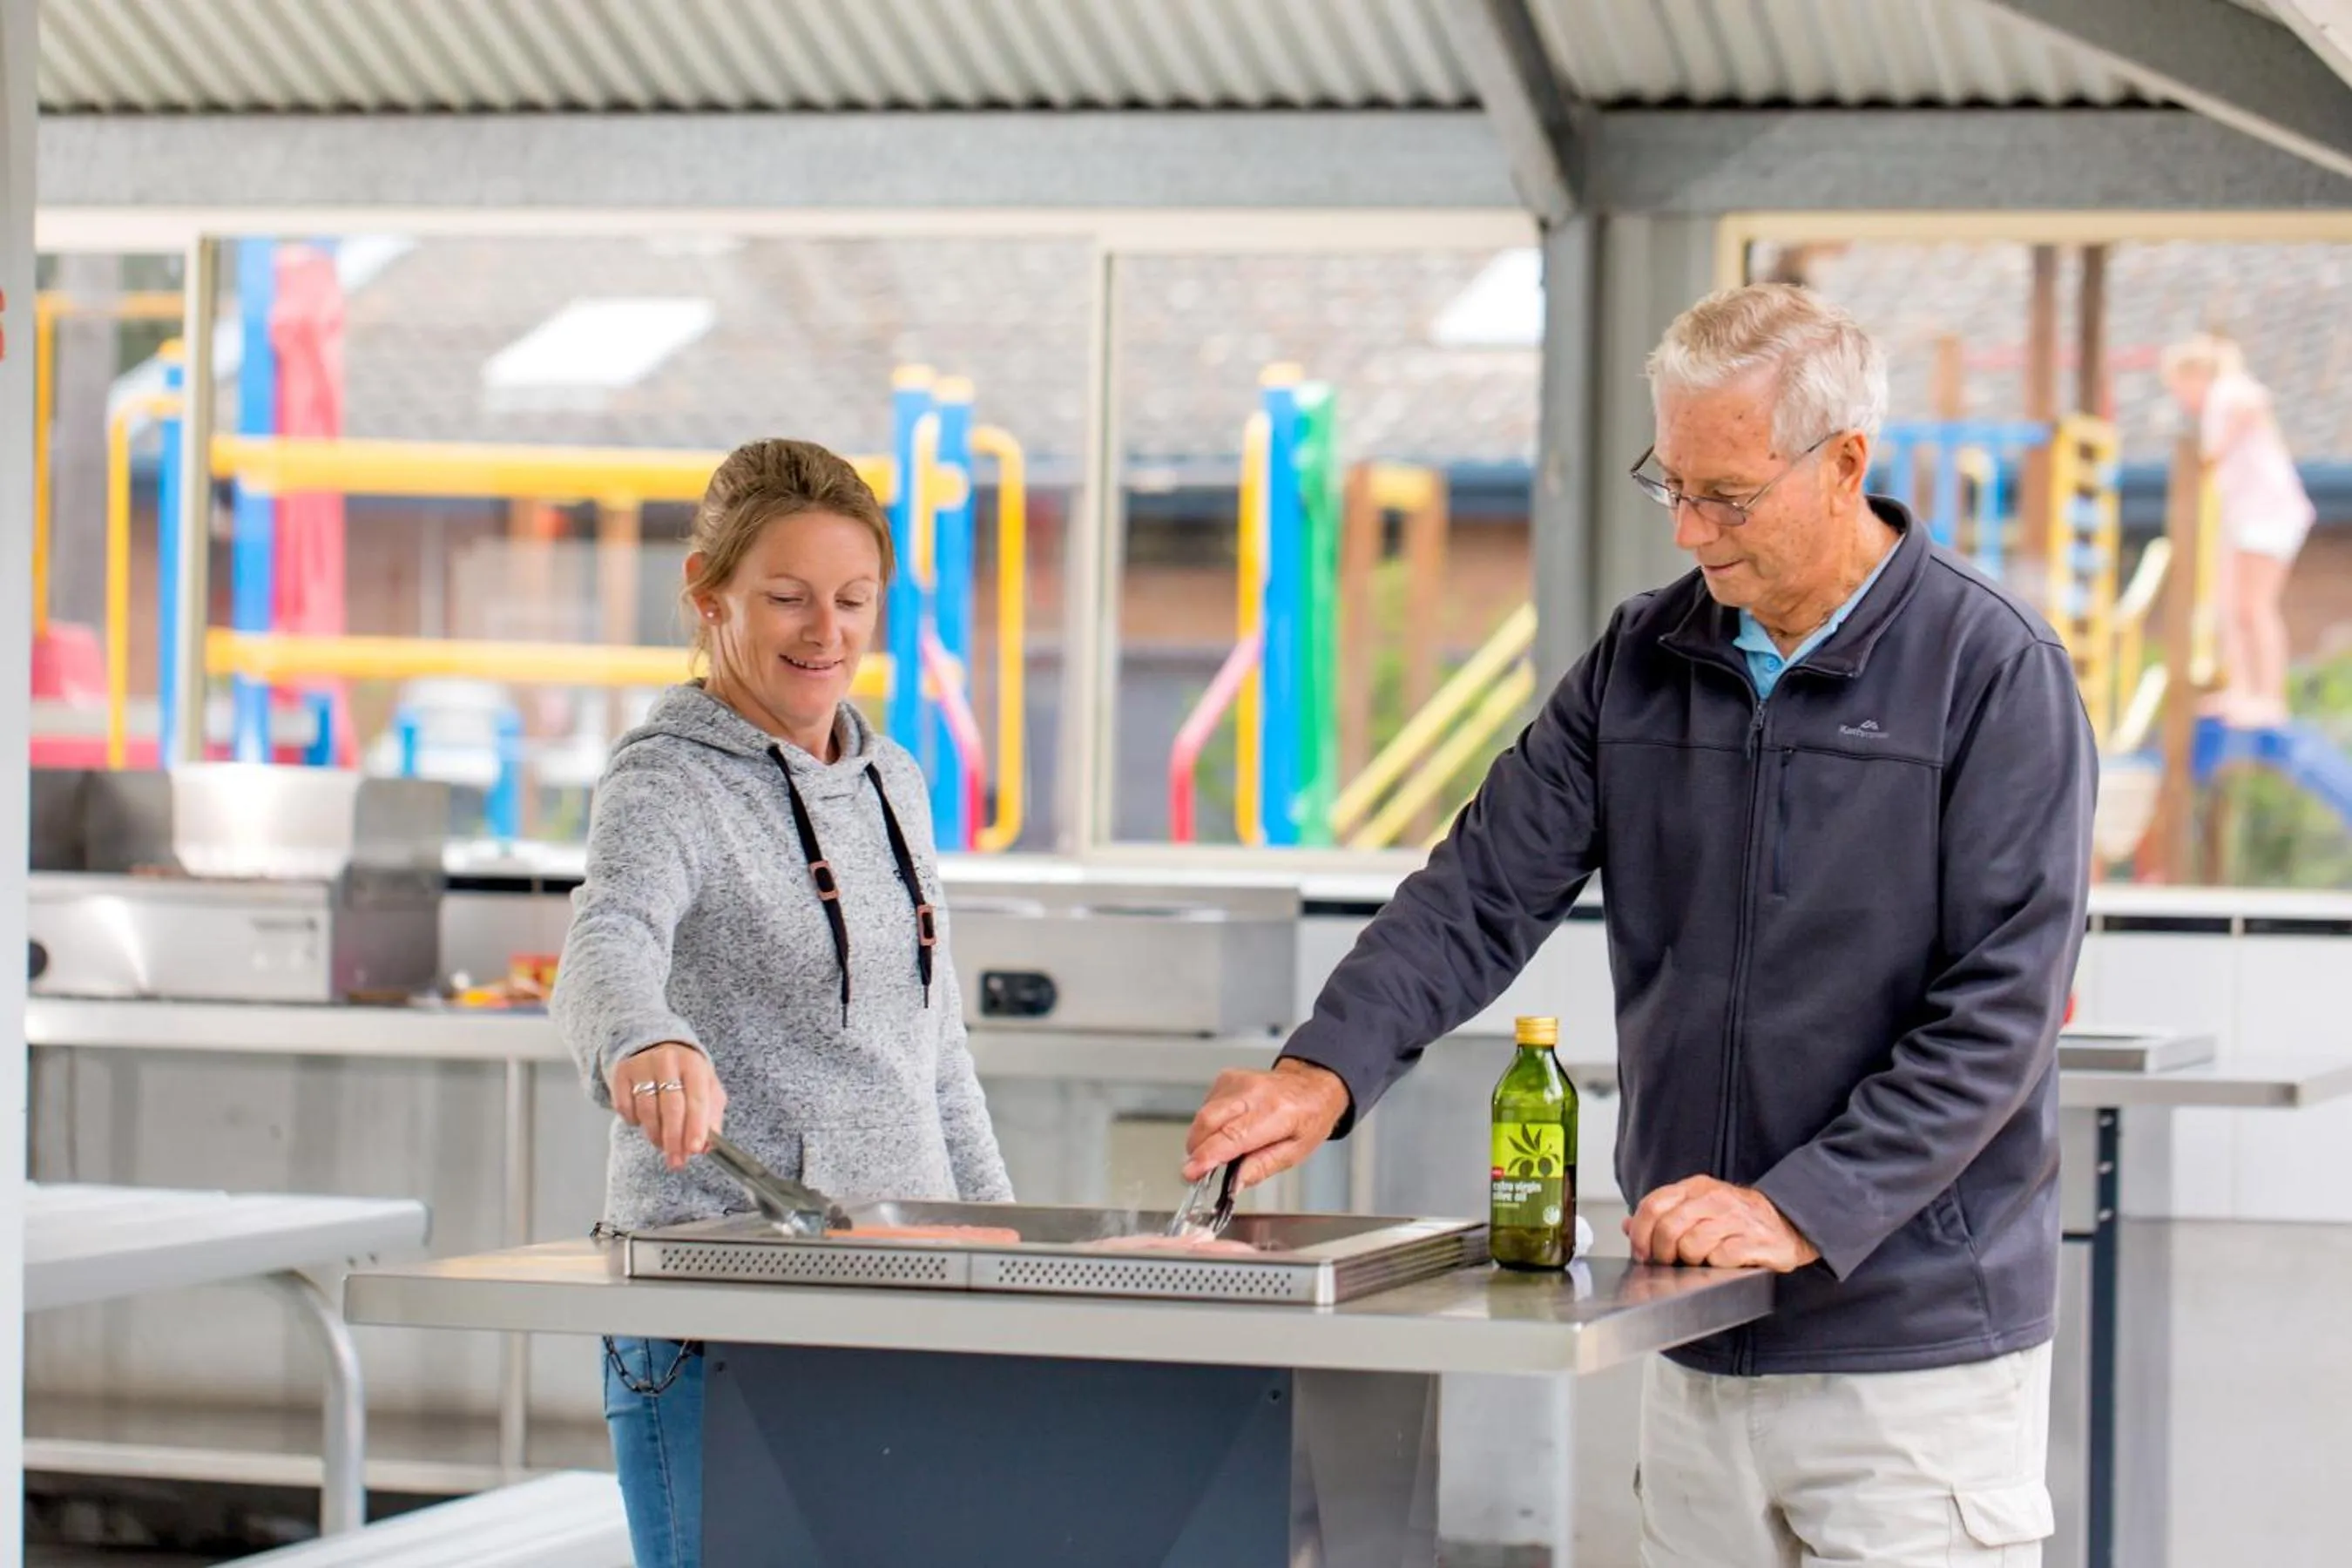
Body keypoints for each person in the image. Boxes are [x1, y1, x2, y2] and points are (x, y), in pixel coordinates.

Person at [1184, 283, 2094, 1566]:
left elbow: (2004, 1010)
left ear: (1845, 466)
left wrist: (1800, 1210)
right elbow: (1482, 888)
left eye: (1727, 496)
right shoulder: (1641, 657)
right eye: (1669, 484)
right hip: (1695, 1327)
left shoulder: (1993, 671)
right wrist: (1324, 1068)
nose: (1689, 531)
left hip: (1912, 1358)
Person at [551, 437, 1013, 1568]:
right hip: (724, 1306)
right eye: (789, 598)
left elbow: (935, 1052)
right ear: (708, 596)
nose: (828, 632)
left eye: (854, 600)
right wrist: (646, 1037)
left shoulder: (894, 781)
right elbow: (608, 942)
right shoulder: (665, 779)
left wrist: (1011, 1247)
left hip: (900, 1290)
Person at [2161, 330, 2315, 727]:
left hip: (2269, 512)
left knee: (2254, 606)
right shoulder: (2216, 404)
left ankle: (2270, 698)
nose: (2182, 400)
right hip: (2246, 515)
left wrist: (2221, 447)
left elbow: (2254, 401)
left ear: (2195, 376)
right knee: (2230, 605)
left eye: (2179, 388)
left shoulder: (2225, 393)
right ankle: (2243, 689)